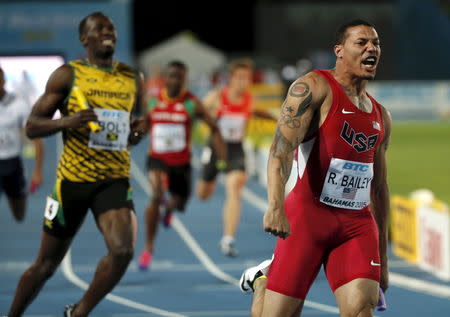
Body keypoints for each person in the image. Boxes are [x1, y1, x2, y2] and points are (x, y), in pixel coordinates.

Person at [239, 19, 391, 317]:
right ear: (339, 50)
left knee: (361, 310)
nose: (372, 48)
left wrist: (383, 258)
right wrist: (274, 205)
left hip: (356, 226)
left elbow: (379, 188)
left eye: (376, 43)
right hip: (308, 219)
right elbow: (280, 149)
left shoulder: (381, 116)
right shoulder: (314, 87)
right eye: (361, 42)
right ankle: (261, 282)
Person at [8, 12, 145, 317]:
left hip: (112, 179)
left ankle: (79, 311)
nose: (108, 32)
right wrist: (70, 120)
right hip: (70, 183)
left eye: (111, 28)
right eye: (100, 29)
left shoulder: (133, 78)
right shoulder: (67, 75)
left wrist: (137, 132)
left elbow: (136, 126)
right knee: (45, 267)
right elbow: (32, 126)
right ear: (85, 39)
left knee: (122, 250)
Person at [138, 60, 226, 271]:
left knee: (181, 203)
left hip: (181, 163)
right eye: (172, 76)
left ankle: (170, 208)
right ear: (165, 78)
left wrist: (222, 159)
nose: (175, 80)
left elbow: (214, 128)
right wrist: (135, 134)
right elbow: (144, 125)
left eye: (180, 77)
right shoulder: (152, 101)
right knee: (156, 195)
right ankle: (148, 247)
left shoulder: (192, 103)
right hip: (157, 158)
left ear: (184, 79)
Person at [196, 58, 275, 256]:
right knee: (203, 194)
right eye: (239, 77)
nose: (243, 82)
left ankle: (228, 239)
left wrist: (280, 120)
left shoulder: (249, 99)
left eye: (246, 78)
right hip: (214, 148)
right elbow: (197, 111)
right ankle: (211, 181)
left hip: (235, 150)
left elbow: (258, 112)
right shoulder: (216, 97)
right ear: (231, 78)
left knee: (236, 185)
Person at [0, 66, 43, 221]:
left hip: (12, 164)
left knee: (19, 215)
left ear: (3, 81)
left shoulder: (18, 105)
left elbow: (37, 139)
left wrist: (37, 171)